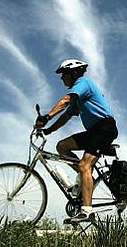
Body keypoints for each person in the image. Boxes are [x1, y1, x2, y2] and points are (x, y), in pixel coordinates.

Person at [34, 59, 118, 223]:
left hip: (105, 128)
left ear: (74, 73)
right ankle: (84, 177)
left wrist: (47, 117)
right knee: (62, 147)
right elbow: (65, 116)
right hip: (94, 131)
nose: (61, 79)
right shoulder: (78, 99)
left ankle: (86, 211)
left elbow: (65, 101)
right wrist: (48, 130)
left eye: (63, 74)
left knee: (84, 165)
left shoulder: (82, 83)